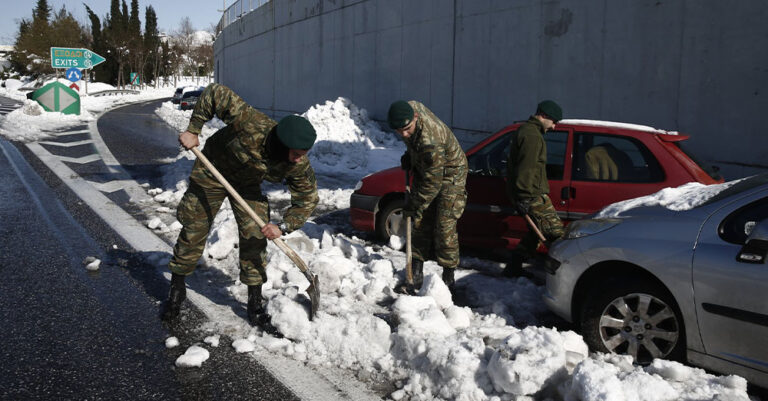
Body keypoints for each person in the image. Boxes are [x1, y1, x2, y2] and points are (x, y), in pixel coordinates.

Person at [162, 83, 319, 330]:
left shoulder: (297, 164)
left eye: (304, 153)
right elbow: (214, 93)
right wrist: (193, 130)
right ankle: (177, 289)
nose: (301, 158)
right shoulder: (249, 121)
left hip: (246, 185)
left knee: (256, 235)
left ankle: (255, 303)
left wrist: (284, 226)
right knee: (194, 229)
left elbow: (307, 198)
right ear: (281, 143)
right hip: (211, 170)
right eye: (297, 153)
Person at [387, 100, 468, 293]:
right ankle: (415, 273)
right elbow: (413, 139)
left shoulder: (430, 140)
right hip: (429, 168)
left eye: (407, 129)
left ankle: (448, 281)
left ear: (415, 118)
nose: (404, 134)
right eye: (399, 131)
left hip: (451, 175)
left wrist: (414, 205)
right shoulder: (409, 109)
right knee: (418, 221)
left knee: (444, 226)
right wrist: (411, 155)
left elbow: (433, 183)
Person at [503, 100, 565, 277]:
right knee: (556, 234)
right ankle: (563, 274)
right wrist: (524, 197)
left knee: (535, 233)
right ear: (543, 116)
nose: (554, 127)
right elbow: (526, 169)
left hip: (529, 194)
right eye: (553, 122)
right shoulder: (532, 136)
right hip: (531, 196)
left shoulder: (529, 132)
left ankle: (513, 268)